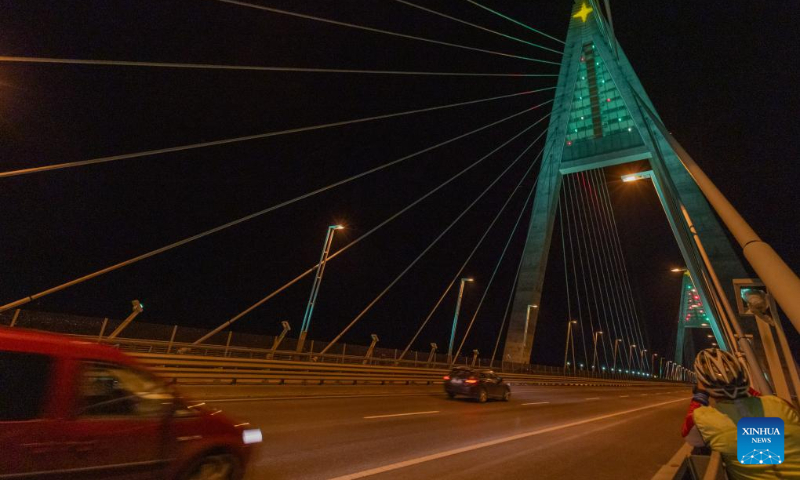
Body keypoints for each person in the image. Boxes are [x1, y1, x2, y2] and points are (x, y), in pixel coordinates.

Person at [681, 348, 800, 479]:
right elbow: (757, 408)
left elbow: (691, 437)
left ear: (703, 383)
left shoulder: (704, 418)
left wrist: (700, 394)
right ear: (744, 377)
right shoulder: (779, 404)